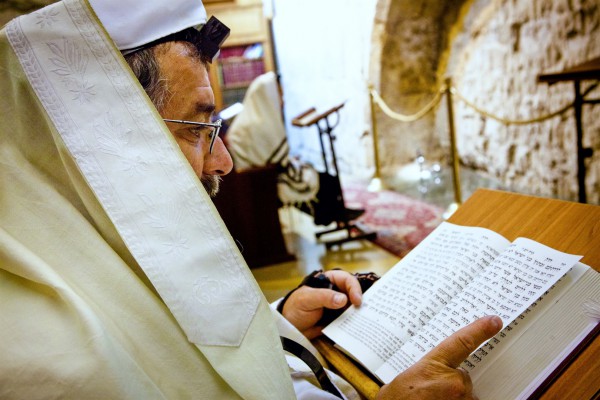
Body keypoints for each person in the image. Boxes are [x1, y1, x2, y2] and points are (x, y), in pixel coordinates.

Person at [0, 0, 502, 398]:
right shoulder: (48, 364)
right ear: (94, 145)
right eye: (197, 128)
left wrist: (279, 321)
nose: (224, 162)